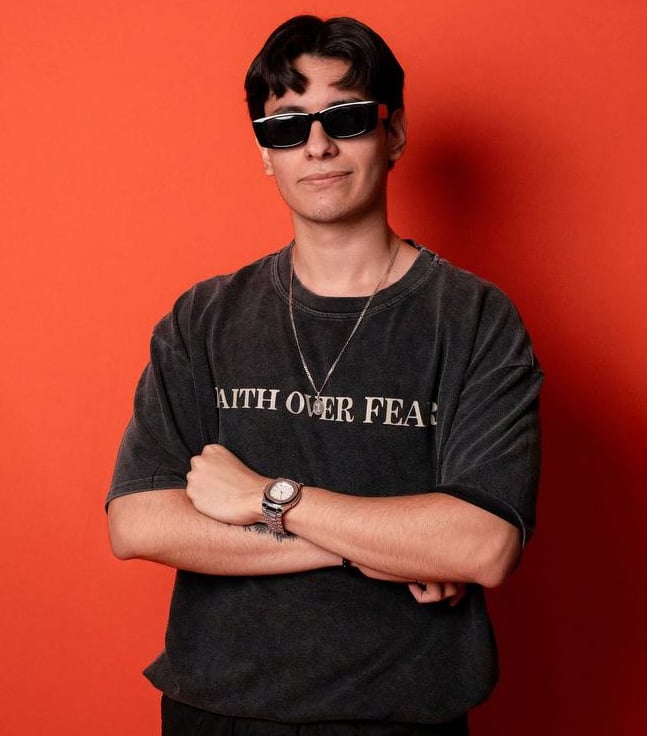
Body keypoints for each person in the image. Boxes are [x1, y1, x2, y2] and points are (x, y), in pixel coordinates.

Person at [107, 14, 542, 736]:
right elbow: (138, 522)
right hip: (214, 709)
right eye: (286, 126)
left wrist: (263, 498)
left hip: (402, 713)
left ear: (393, 132)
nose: (316, 145)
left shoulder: (473, 318)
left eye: (345, 117)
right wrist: (384, 544)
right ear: (265, 152)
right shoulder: (203, 317)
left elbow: (482, 546)